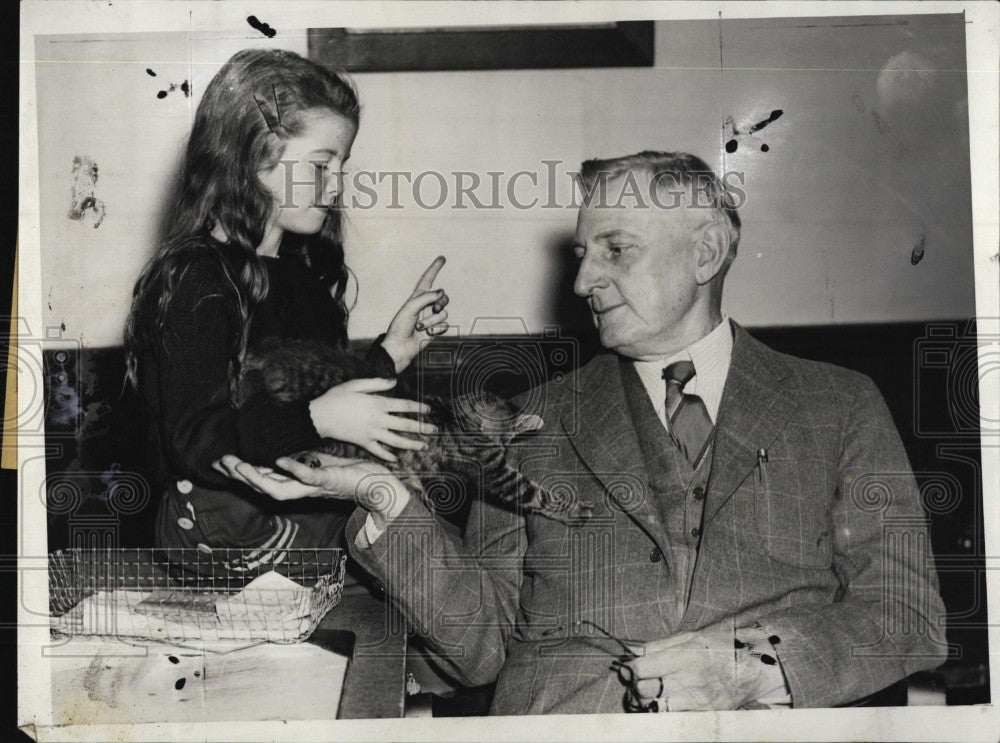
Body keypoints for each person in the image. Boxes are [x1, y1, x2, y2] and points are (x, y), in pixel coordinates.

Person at [219, 151, 948, 712]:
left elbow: (907, 614)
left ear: (705, 253)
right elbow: (480, 649)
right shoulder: (527, 421)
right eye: (580, 254)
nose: (582, 282)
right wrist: (383, 497)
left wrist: (756, 670)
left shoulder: (839, 404)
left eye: (616, 249)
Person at [124, 48, 449, 567]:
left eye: (343, 165)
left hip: (305, 515)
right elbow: (197, 438)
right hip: (218, 527)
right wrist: (320, 417)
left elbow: (313, 405)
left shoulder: (308, 277)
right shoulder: (196, 276)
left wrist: (389, 357)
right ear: (254, 158)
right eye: (322, 165)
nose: (339, 185)